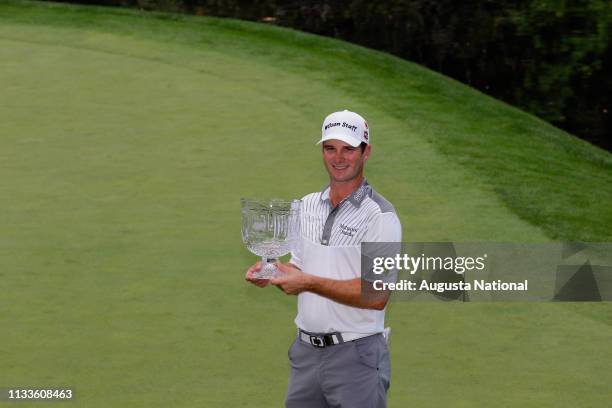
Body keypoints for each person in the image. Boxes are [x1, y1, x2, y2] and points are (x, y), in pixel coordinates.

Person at [245, 110, 402, 408]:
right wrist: (275, 272)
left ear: (366, 152)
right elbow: (300, 268)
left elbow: (377, 294)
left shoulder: (380, 216)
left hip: (357, 357)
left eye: (348, 149)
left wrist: (306, 282)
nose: (338, 157)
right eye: (330, 148)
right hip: (306, 355)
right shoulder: (305, 206)